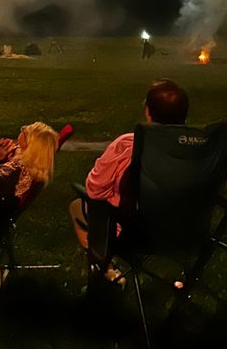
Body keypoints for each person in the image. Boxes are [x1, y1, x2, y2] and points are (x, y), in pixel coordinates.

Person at [69, 79, 189, 257]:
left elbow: (95, 190)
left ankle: (104, 270)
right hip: (185, 234)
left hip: (133, 234)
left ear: (148, 112)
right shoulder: (200, 151)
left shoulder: (127, 146)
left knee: (77, 205)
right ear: (184, 115)